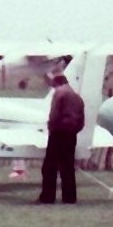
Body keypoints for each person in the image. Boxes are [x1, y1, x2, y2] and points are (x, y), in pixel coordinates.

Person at [37, 71, 85, 205]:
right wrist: (75, 130)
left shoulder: (59, 94)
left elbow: (54, 113)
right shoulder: (77, 97)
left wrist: (51, 127)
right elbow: (82, 119)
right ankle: (69, 197)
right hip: (71, 134)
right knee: (68, 167)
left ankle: (47, 196)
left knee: (49, 166)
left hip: (58, 132)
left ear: (56, 82)